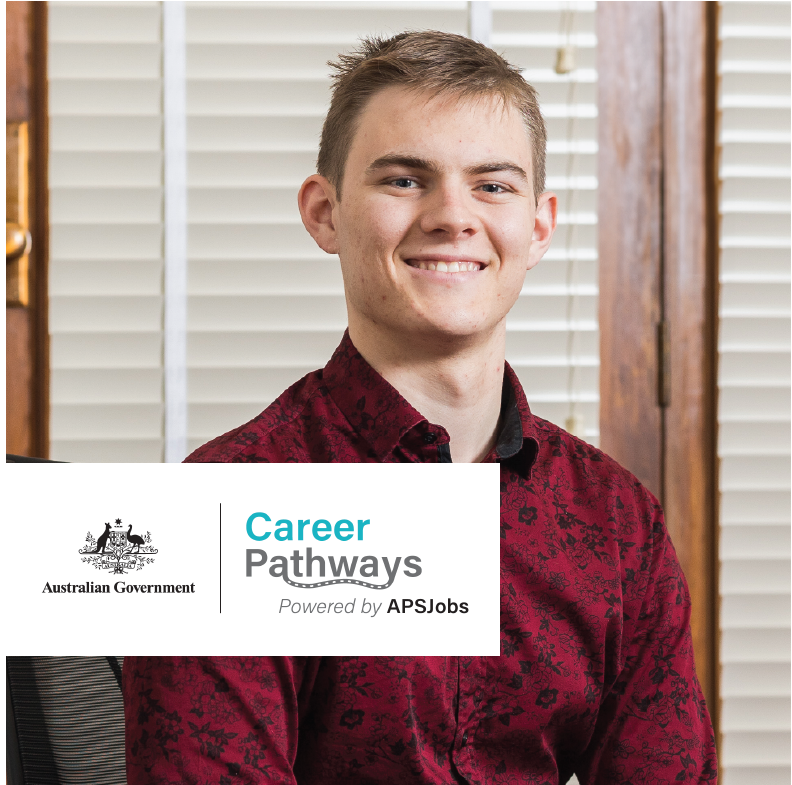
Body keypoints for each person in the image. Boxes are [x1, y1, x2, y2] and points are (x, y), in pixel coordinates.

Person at [124, 31, 717, 784]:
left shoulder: (618, 523)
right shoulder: (218, 510)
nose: (452, 215)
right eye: (405, 180)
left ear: (537, 226)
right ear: (324, 213)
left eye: (493, 185)